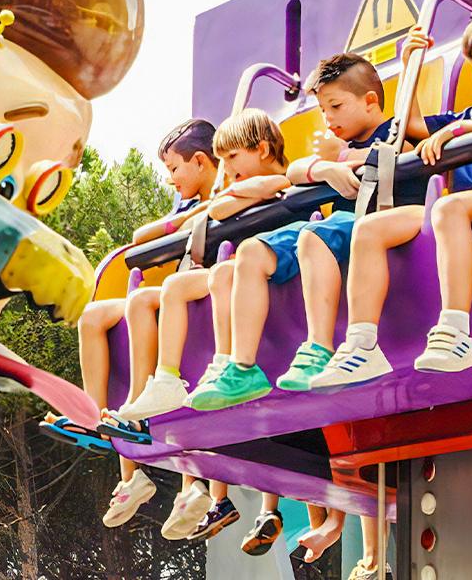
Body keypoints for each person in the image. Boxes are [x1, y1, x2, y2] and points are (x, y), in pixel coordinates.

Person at [310, 5, 472, 386]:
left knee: (447, 207)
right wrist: (411, 61)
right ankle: (362, 345)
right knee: (370, 230)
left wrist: (461, 130)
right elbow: (412, 125)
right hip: (467, 203)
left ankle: (456, 330)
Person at [188, 53, 426, 409]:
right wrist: (324, 168)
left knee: (313, 236)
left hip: (375, 220)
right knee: (251, 251)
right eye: (323, 110)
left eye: (335, 107)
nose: (328, 119)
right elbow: (296, 170)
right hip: (338, 224)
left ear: (370, 102)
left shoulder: (393, 131)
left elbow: (404, 150)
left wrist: (341, 158)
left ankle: (318, 347)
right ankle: (241, 367)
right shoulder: (335, 148)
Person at [113, 109, 291, 539]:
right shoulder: (238, 189)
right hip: (237, 272)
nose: (226, 172)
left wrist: (273, 183)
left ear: (261, 151)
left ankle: (208, 486)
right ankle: (154, 391)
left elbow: (229, 205)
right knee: (159, 294)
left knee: (189, 284)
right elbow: (220, 207)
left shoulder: (283, 182)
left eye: (230, 160)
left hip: (271, 272)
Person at [59, 120, 218, 528]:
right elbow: (142, 234)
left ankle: (187, 478)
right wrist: (186, 219)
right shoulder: (188, 205)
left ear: (200, 162)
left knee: (150, 308)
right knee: (94, 316)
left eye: (174, 169)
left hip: (206, 293)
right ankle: (95, 416)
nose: (169, 179)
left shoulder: (227, 188)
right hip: (172, 294)